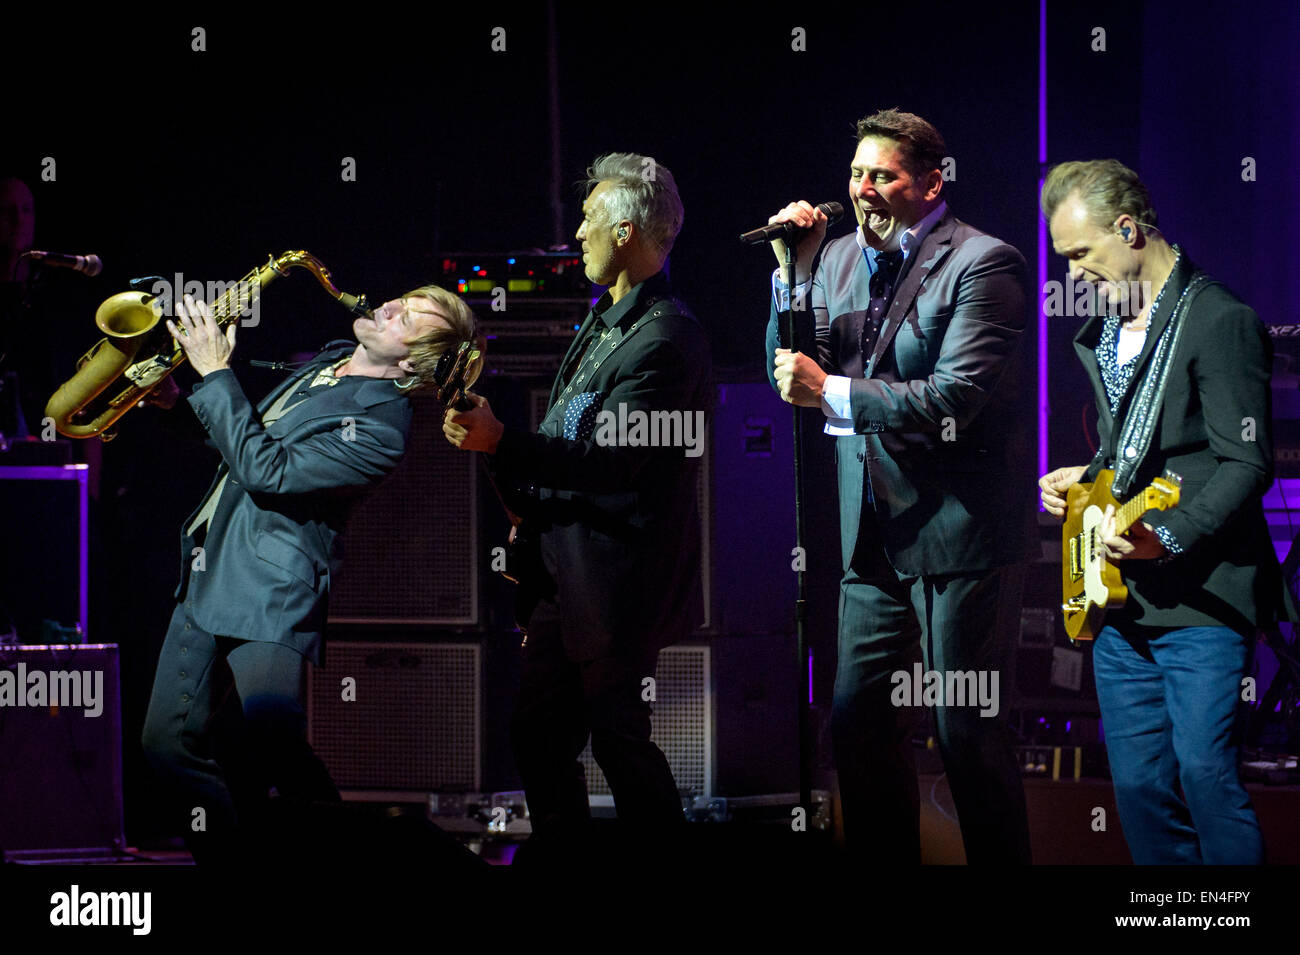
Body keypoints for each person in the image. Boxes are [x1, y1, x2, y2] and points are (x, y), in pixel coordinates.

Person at [765, 109, 1034, 863]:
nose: (863, 189)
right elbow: (795, 375)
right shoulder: (838, 258)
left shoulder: (985, 262)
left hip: (959, 533)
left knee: (964, 730)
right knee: (857, 724)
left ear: (929, 183)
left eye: (881, 175)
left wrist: (837, 393)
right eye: (855, 173)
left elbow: (955, 394)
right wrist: (793, 277)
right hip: (872, 532)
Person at [140, 283, 481, 863]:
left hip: (268, 588)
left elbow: (267, 470)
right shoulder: (328, 363)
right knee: (166, 745)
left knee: (275, 744)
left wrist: (216, 372)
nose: (391, 306)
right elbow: (241, 440)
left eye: (411, 319)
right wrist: (177, 400)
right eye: (403, 300)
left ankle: (350, 865)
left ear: (412, 362)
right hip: (211, 566)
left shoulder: (382, 430)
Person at [443, 153, 712, 842]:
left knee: (619, 742)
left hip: (618, 587)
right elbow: (568, 430)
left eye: (590, 219)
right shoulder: (606, 320)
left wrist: (502, 441)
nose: (579, 235)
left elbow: (612, 461)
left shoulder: (667, 337)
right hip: (566, 580)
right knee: (538, 735)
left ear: (625, 229)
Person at [1038, 159, 1281, 865]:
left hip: (1203, 599)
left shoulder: (1220, 319)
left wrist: (1163, 537)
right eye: (1065, 260)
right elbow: (1140, 449)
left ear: (1130, 228)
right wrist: (1087, 477)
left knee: (1206, 778)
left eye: (1082, 254)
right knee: (1142, 788)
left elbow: (1245, 462)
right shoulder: (1108, 330)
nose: (1075, 274)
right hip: (1123, 603)